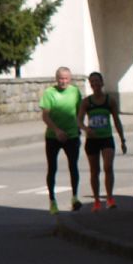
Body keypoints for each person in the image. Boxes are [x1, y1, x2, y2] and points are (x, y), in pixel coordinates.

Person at [80, 71, 129, 209]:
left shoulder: (109, 101)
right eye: (92, 82)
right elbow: (79, 120)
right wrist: (86, 128)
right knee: (94, 170)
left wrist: (122, 139)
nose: (95, 84)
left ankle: (110, 198)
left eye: (97, 81)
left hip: (106, 138)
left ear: (102, 83)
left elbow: (117, 120)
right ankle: (96, 200)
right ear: (90, 84)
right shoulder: (86, 102)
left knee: (108, 167)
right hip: (92, 140)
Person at [39, 65, 84, 213]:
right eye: (60, 79)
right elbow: (45, 116)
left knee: (73, 166)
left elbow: (80, 112)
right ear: (56, 79)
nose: (63, 81)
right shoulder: (49, 93)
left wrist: (80, 127)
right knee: (52, 168)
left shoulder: (75, 92)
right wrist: (57, 130)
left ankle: (75, 197)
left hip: (71, 135)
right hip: (53, 136)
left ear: (70, 79)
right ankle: (52, 201)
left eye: (65, 79)